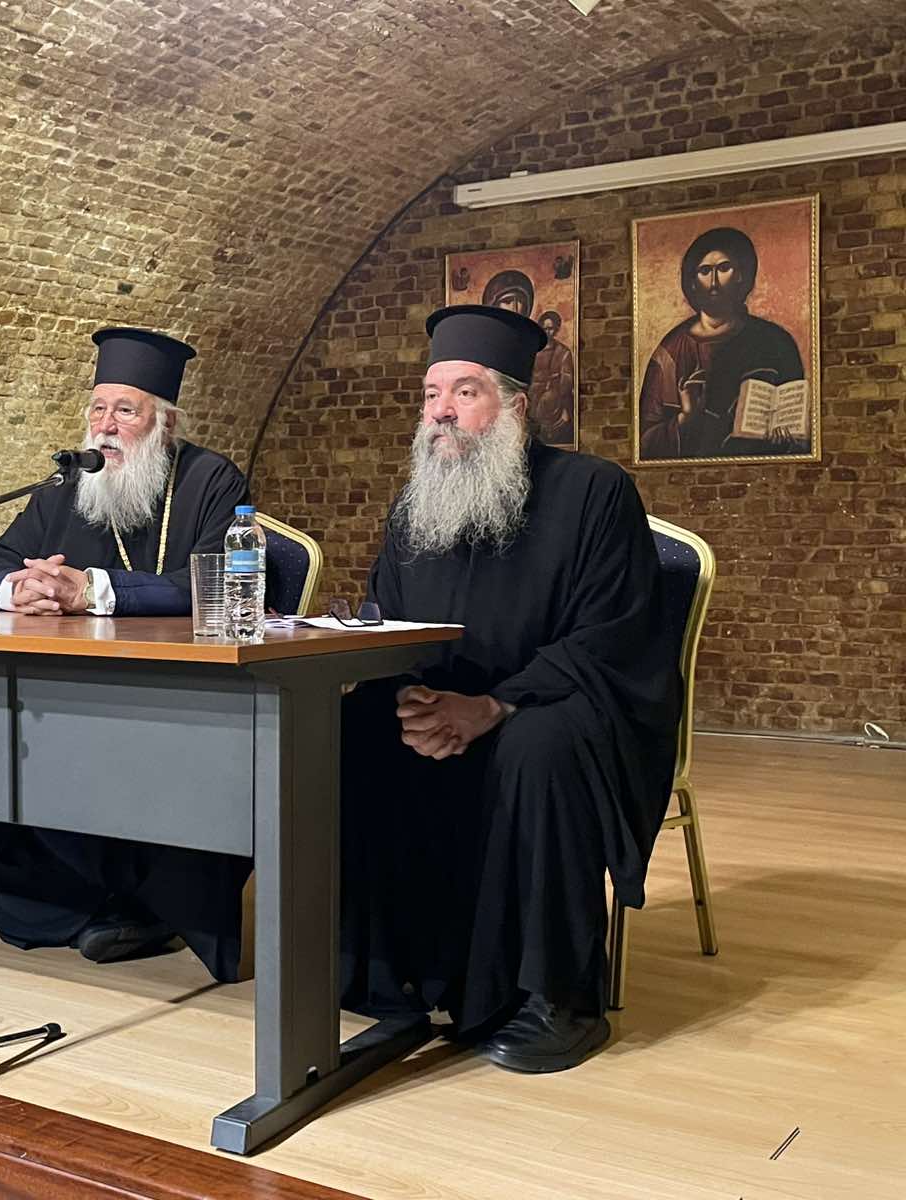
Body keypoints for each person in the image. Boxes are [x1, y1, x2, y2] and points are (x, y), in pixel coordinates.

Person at [339, 305, 681, 1073]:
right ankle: (394, 967)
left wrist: (493, 706)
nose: (441, 411)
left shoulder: (594, 491)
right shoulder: (414, 509)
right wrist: (414, 699)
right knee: (354, 726)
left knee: (537, 746)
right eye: (431, 395)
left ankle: (558, 996)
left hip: (563, 705)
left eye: (465, 392)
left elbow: (611, 638)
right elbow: (385, 617)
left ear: (517, 408)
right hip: (446, 703)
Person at [0, 327, 252, 981]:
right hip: (66, 691)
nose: (106, 426)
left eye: (125, 410)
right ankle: (63, 909)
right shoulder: (72, 483)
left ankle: (154, 907)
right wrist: (14, 587)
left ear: (164, 424)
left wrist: (89, 590)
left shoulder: (210, 479)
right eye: (97, 409)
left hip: (176, 698)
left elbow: (212, 586)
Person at [637, 226, 807, 460]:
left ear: (740, 275)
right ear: (692, 281)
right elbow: (645, 441)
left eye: (724, 268)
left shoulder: (775, 341)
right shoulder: (672, 350)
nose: (714, 282)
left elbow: (796, 422)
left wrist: (786, 438)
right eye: (705, 271)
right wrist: (686, 418)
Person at [528, 310, 575, 445]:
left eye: (551, 329)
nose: (548, 332)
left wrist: (554, 387)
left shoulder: (563, 352)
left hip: (553, 394)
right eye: (545, 329)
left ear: (556, 329)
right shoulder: (533, 351)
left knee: (547, 400)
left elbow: (567, 380)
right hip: (533, 393)